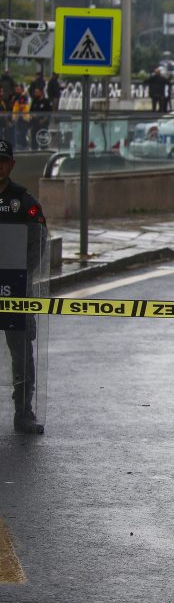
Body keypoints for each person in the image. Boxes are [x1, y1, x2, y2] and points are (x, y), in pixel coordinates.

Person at [0, 139, 46, 433]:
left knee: (21, 348)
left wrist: (24, 272)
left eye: (2, 160)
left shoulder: (23, 201)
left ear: (11, 165)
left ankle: (23, 412)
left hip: (14, 286)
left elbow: (38, 238)